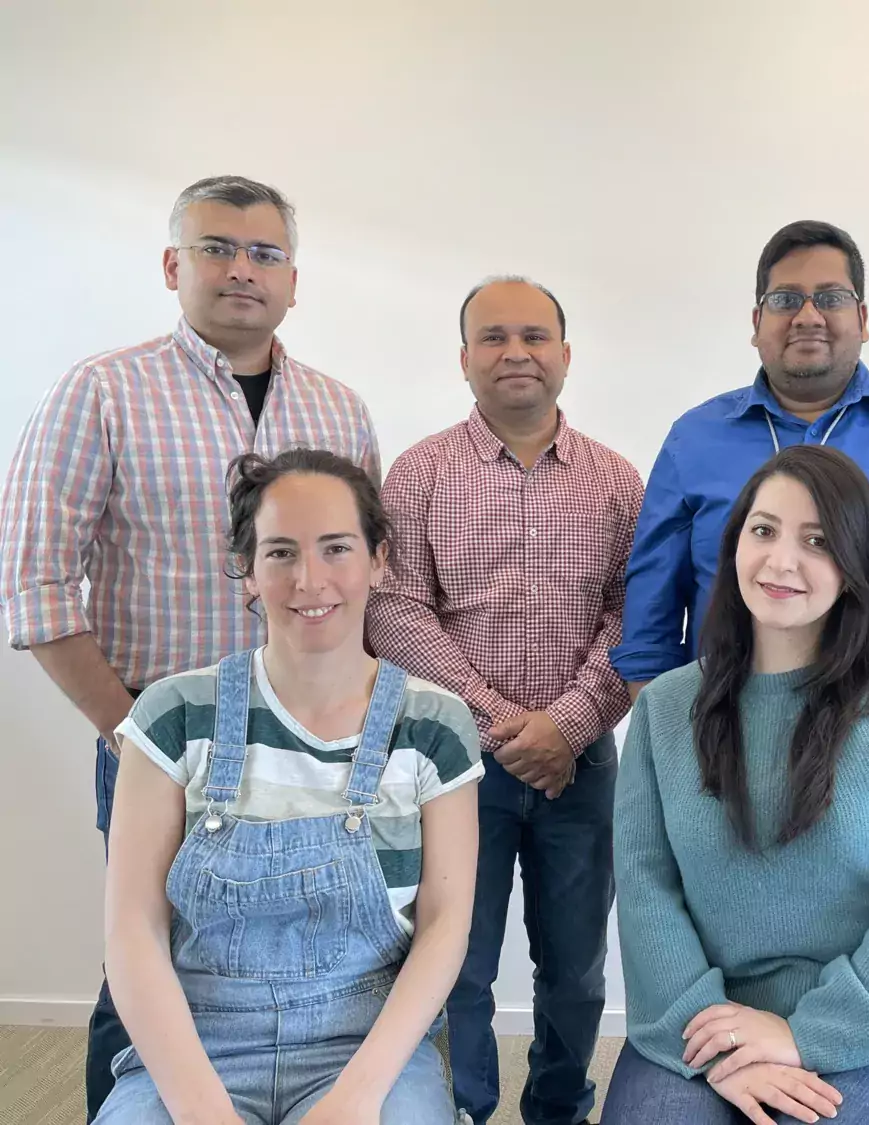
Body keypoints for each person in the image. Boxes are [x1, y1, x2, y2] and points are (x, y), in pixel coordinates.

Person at [0, 174, 380, 1120]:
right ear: (175, 266)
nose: (242, 270)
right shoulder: (103, 391)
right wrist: (132, 730)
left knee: (311, 962)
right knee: (145, 967)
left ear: (296, 279)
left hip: (319, 752)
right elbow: (33, 582)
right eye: (217, 247)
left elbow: (367, 578)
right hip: (161, 751)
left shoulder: (340, 410)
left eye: (265, 253)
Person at [93, 449, 482, 1124]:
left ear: (379, 559)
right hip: (196, 1045)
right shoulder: (173, 714)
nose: (310, 579)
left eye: (336, 548)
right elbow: (133, 929)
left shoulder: (435, 724)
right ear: (246, 567)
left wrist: (358, 1098)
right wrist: (200, 1107)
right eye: (280, 553)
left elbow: (445, 927)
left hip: (367, 1047)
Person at [603, 445, 869, 1125]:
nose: (781, 560)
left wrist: (804, 1035)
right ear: (735, 543)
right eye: (764, 530)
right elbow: (646, 889)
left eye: (817, 540)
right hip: (704, 1021)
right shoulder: (664, 708)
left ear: (855, 564)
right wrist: (716, 1038)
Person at [366, 276, 643, 1125]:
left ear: (565, 355)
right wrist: (497, 724)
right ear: (463, 358)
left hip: (582, 764)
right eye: (492, 337)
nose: (514, 352)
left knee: (576, 969)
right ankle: (462, 1108)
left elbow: (635, 614)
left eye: (533, 335)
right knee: (457, 962)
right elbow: (394, 608)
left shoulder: (616, 482)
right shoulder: (418, 474)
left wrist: (566, 724)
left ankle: (560, 1108)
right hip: (451, 768)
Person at [611, 220, 869, 812]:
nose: (809, 315)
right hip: (723, 750)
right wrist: (670, 748)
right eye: (786, 299)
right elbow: (650, 614)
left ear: (863, 320)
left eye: (832, 298)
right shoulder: (695, 439)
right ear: (756, 323)